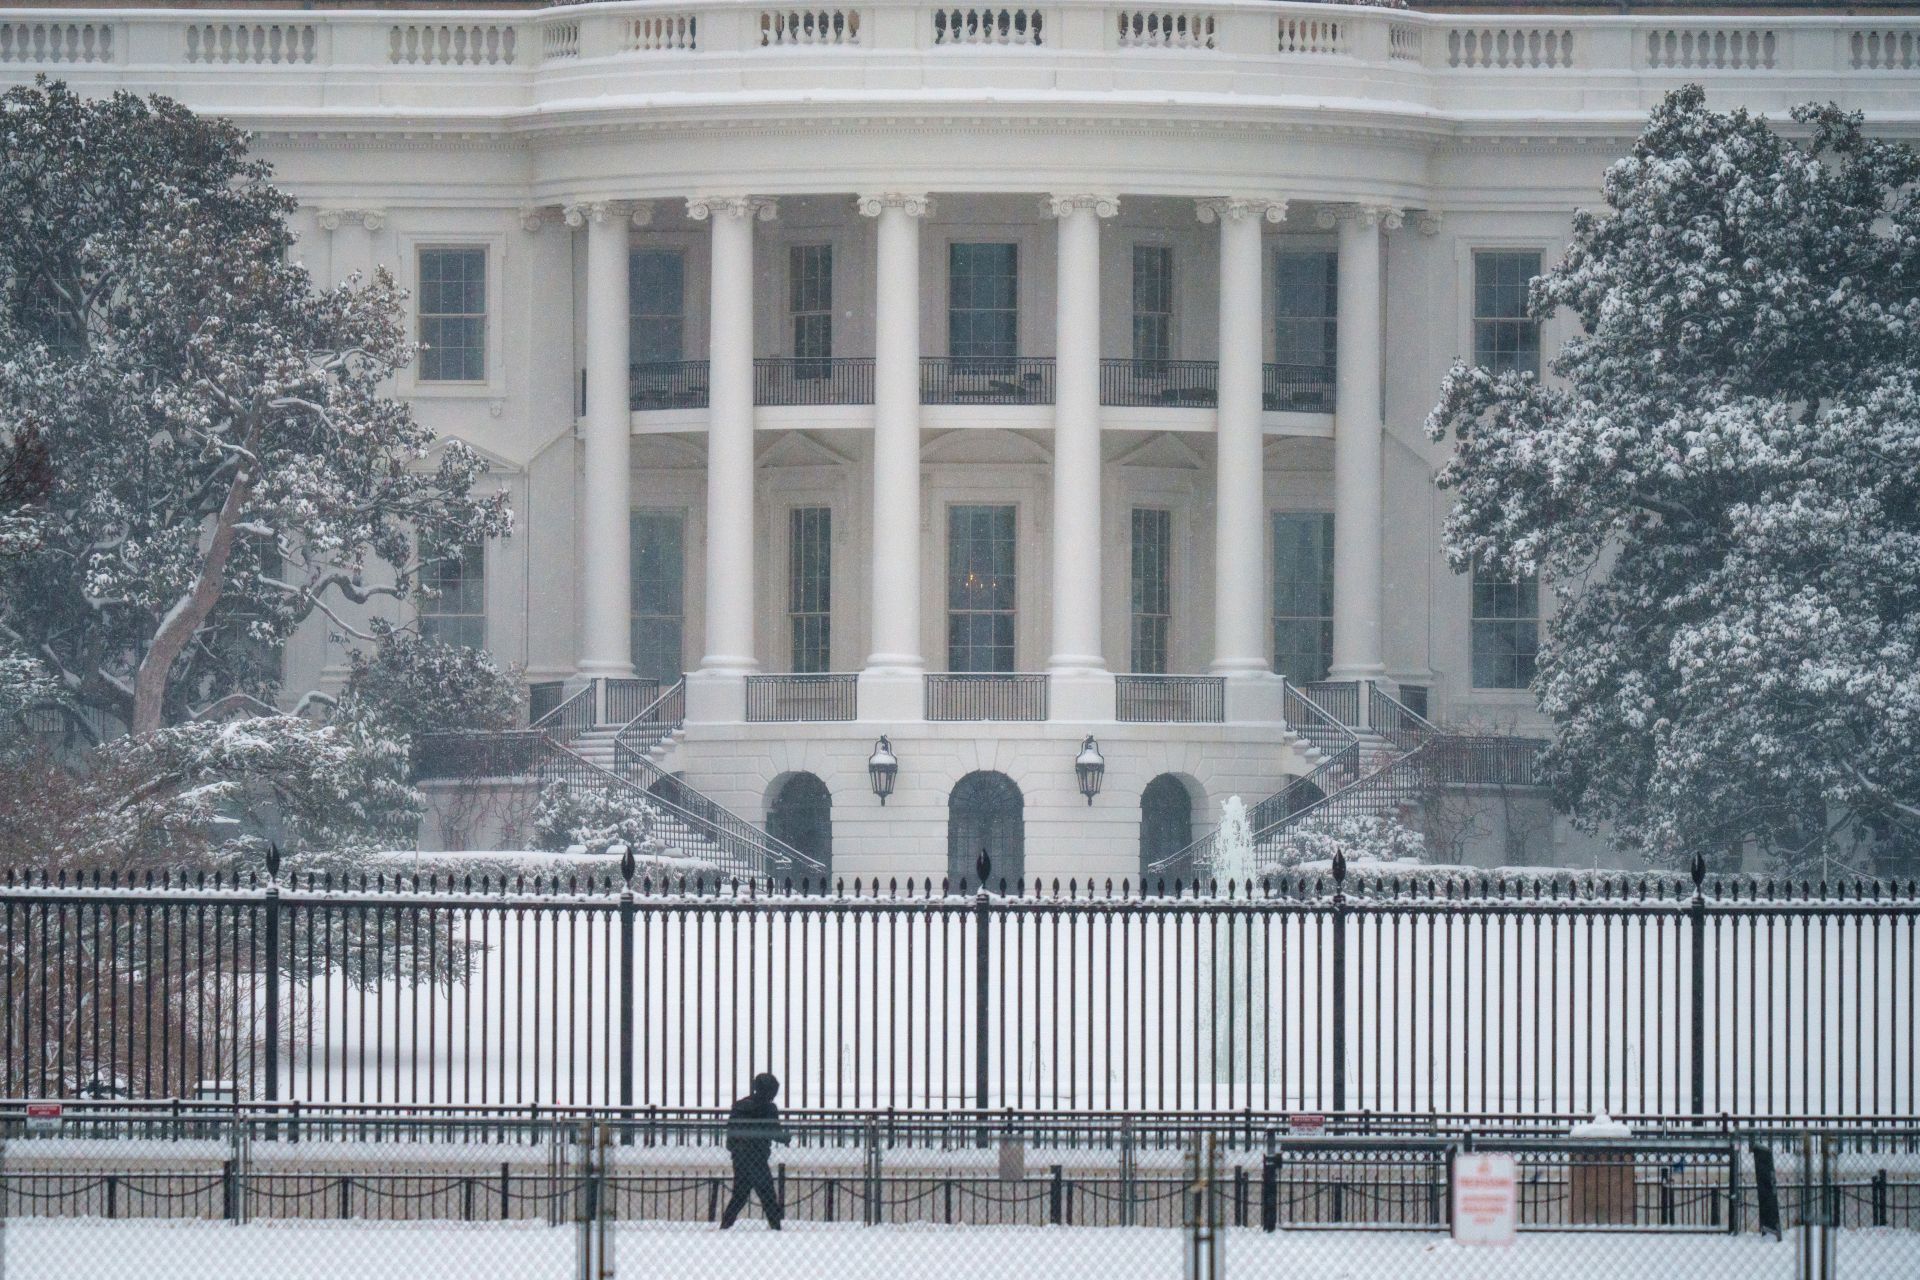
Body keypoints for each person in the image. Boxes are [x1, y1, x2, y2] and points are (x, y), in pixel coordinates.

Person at [720, 1071, 789, 1229]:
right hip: (758, 1156)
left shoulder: (739, 1106)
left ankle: (725, 1225)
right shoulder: (769, 1108)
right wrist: (785, 1138)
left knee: (739, 1195)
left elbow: (731, 1132)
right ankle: (775, 1226)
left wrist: (735, 1149)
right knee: (767, 1195)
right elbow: (773, 1132)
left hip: (740, 1157)